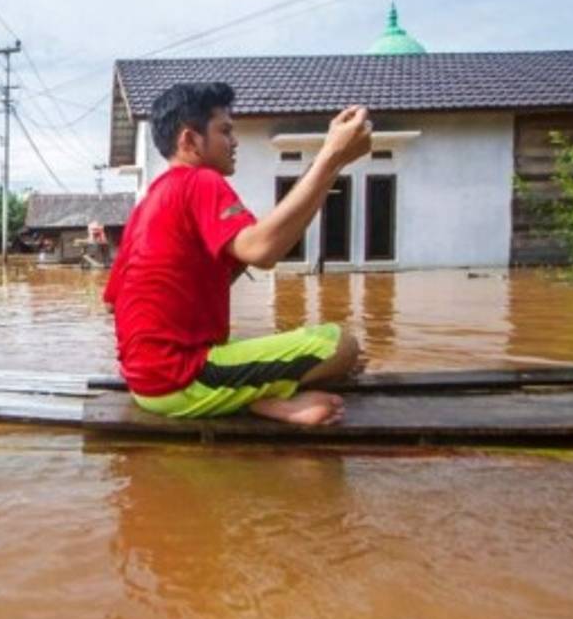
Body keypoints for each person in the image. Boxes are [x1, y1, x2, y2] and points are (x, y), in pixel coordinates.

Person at [103, 82, 372, 426]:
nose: (235, 142)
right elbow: (263, 250)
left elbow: (113, 301)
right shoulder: (199, 181)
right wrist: (331, 156)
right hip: (181, 381)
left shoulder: (148, 204)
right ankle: (261, 402)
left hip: (143, 384)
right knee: (341, 345)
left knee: (307, 353)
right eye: (225, 131)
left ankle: (259, 398)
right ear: (189, 141)